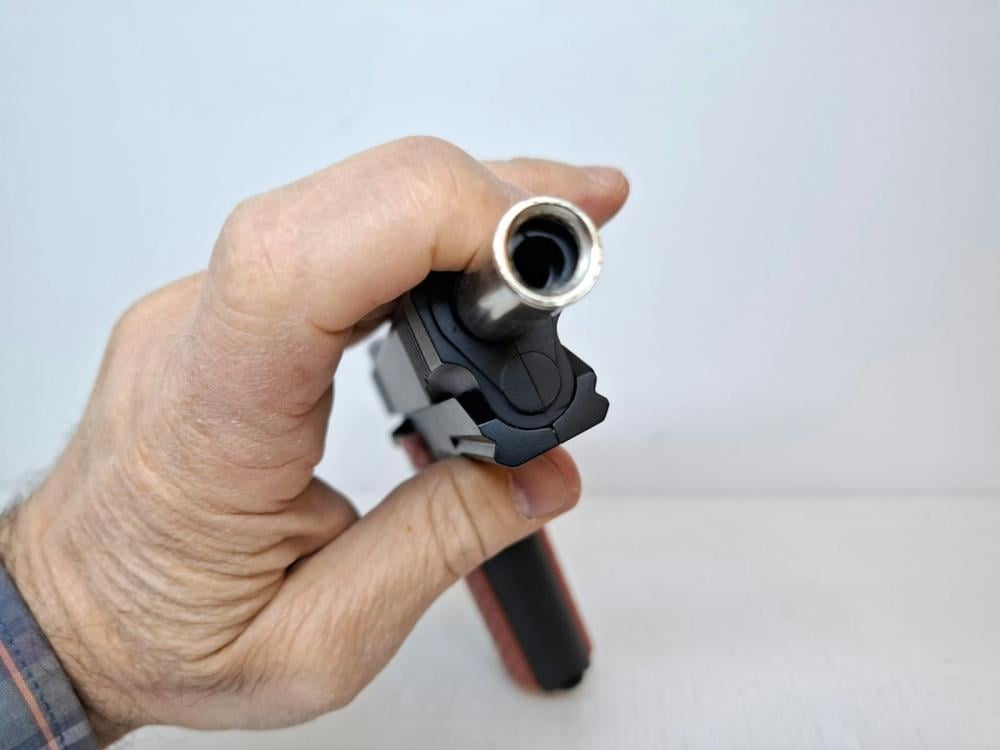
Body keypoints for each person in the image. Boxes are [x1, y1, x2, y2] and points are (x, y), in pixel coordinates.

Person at [0, 137, 629, 748]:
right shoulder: (461, 383)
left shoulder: (470, 357)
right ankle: (557, 671)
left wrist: (72, 621)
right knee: (546, 638)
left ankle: (558, 671)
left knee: (544, 629)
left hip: (456, 420)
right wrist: (79, 637)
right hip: (451, 425)